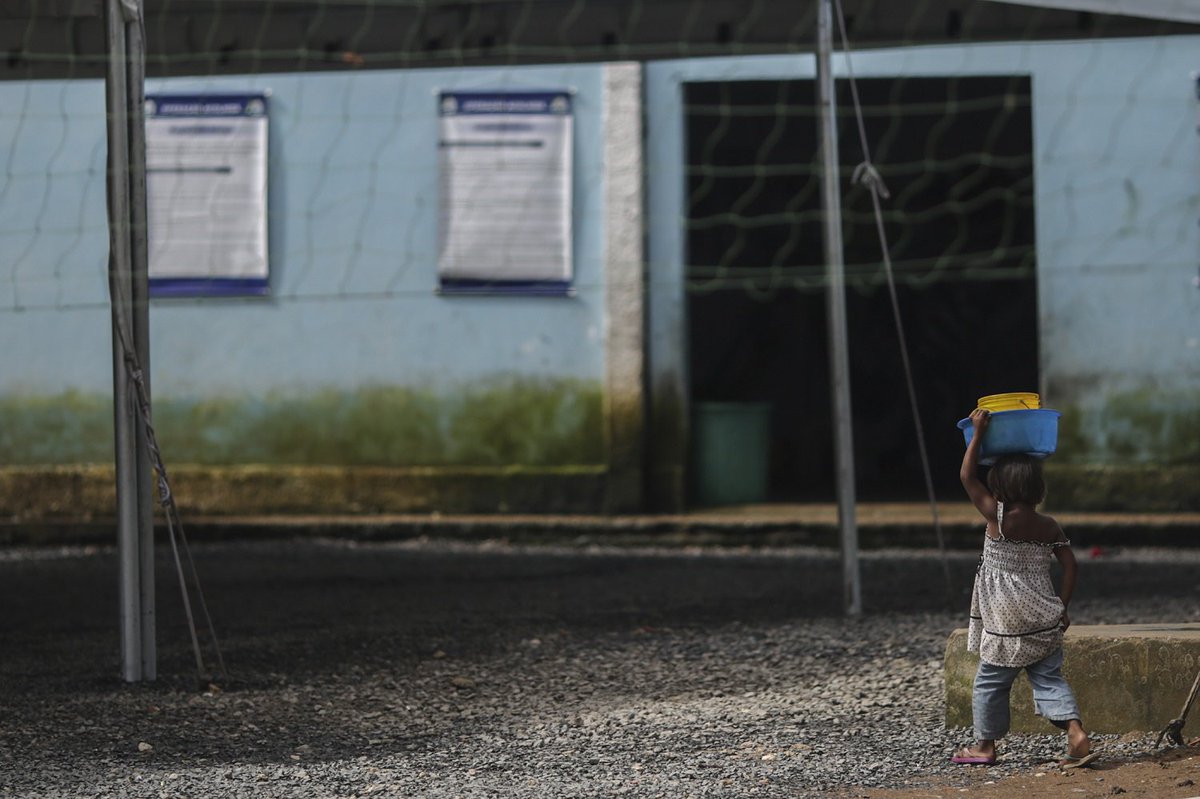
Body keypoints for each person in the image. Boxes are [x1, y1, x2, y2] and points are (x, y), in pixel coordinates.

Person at [952, 408, 1098, 768]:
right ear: (1037, 488)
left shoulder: (997, 518)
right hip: (1044, 616)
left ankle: (984, 746)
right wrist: (1062, 606)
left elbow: (967, 475)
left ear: (999, 488)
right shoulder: (1049, 525)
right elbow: (1071, 565)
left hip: (1006, 623)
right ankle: (1076, 733)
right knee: (1048, 678)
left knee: (989, 682)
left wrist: (980, 433)